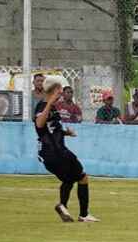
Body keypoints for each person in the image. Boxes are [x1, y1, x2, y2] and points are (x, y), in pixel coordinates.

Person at [35, 76, 98, 222]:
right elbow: (39, 124)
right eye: (60, 90)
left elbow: (48, 128)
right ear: (55, 90)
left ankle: (63, 207)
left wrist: (65, 133)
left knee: (68, 179)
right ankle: (83, 215)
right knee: (82, 177)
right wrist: (50, 103)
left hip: (51, 153)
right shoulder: (44, 106)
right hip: (56, 153)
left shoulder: (52, 107)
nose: (62, 93)